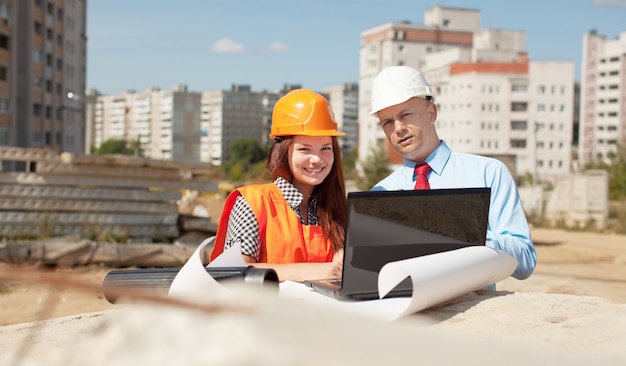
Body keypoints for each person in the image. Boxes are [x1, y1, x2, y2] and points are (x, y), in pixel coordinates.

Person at [368, 65, 536, 280]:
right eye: (388, 122)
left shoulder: (487, 173)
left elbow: (525, 264)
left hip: (470, 310)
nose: (398, 128)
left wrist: (464, 232)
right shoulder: (381, 193)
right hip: (406, 310)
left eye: (405, 115)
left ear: (431, 113)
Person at [209, 89, 346, 282]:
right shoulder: (253, 203)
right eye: (304, 149)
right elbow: (234, 271)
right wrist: (323, 271)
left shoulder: (338, 211)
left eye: (325, 148)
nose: (316, 159)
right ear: (283, 152)